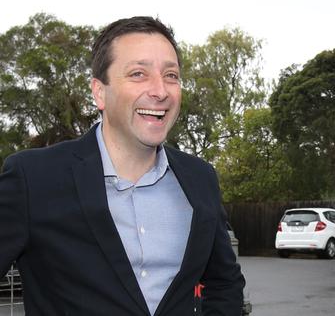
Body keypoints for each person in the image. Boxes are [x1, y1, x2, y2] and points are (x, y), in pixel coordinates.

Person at [0, 16, 245, 315]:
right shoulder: (33, 178)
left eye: (171, 75)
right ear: (99, 92)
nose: (160, 90)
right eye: (138, 73)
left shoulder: (200, 179)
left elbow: (225, 284)